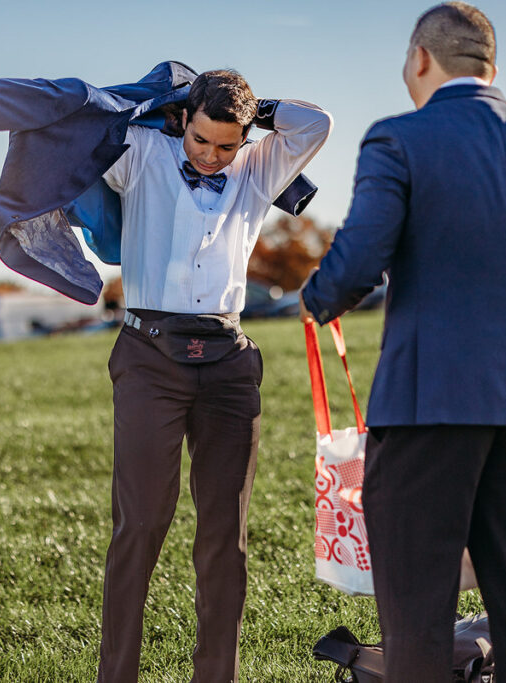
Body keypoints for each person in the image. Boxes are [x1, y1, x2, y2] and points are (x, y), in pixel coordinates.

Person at [299, 3, 506, 681]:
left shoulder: (399, 139)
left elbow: (354, 265)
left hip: (426, 405)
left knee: (416, 609)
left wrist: (316, 298)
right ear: (491, 67)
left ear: (420, 60)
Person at [97, 70, 331, 682]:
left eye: (227, 144)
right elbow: (87, 133)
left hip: (228, 365)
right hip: (149, 357)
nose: (212, 155)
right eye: (201, 140)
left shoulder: (255, 170)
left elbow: (317, 124)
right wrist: (167, 102)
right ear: (183, 123)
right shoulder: (144, 153)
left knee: (224, 537)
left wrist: (257, 111)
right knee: (142, 523)